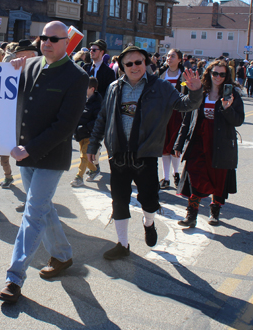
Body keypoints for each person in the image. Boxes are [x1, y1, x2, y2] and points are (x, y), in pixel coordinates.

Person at [0, 21, 88, 304]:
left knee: (33, 212)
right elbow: (11, 97)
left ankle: (14, 278)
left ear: (66, 43)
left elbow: (65, 126)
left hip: (49, 156)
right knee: (43, 208)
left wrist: (30, 148)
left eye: (53, 39)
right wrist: (9, 69)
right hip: (25, 153)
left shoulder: (77, 76)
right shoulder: (31, 65)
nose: (46, 43)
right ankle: (62, 255)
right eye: (43, 38)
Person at [86, 46, 203, 260]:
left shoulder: (160, 87)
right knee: (119, 201)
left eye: (138, 62)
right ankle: (122, 244)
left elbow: (184, 105)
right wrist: (93, 145)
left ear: (146, 63)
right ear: (122, 66)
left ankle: (149, 223)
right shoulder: (113, 88)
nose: (134, 67)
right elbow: (102, 118)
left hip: (146, 154)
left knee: (149, 200)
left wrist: (195, 91)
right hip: (118, 154)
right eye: (128, 63)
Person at [174, 60, 244, 227]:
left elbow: (238, 120)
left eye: (222, 74)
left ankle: (215, 211)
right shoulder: (201, 92)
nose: (218, 77)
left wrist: (227, 108)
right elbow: (188, 119)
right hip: (199, 141)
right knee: (195, 175)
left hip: (221, 143)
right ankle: (191, 215)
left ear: (226, 76)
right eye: (215, 73)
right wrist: (179, 142)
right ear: (209, 74)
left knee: (219, 178)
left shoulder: (232, 94)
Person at [157, 49, 186, 190]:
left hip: (178, 114)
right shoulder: (161, 74)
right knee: (164, 147)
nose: (169, 58)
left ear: (180, 59)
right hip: (164, 113)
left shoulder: (184, 75)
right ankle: (166, 178)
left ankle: (176, 173)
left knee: (175, 145)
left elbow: (189, 95)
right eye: (168, 56)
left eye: (172, 56)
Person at [70, 77, 103, 187]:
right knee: (86, 157)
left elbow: (97, 120)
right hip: (81, 133)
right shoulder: (83, 99)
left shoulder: (97, 103)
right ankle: (94, 170)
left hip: (89, 134)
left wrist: (85, 127)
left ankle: (79, 177)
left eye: (85, 87)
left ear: (92, 89)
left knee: (84, 156)